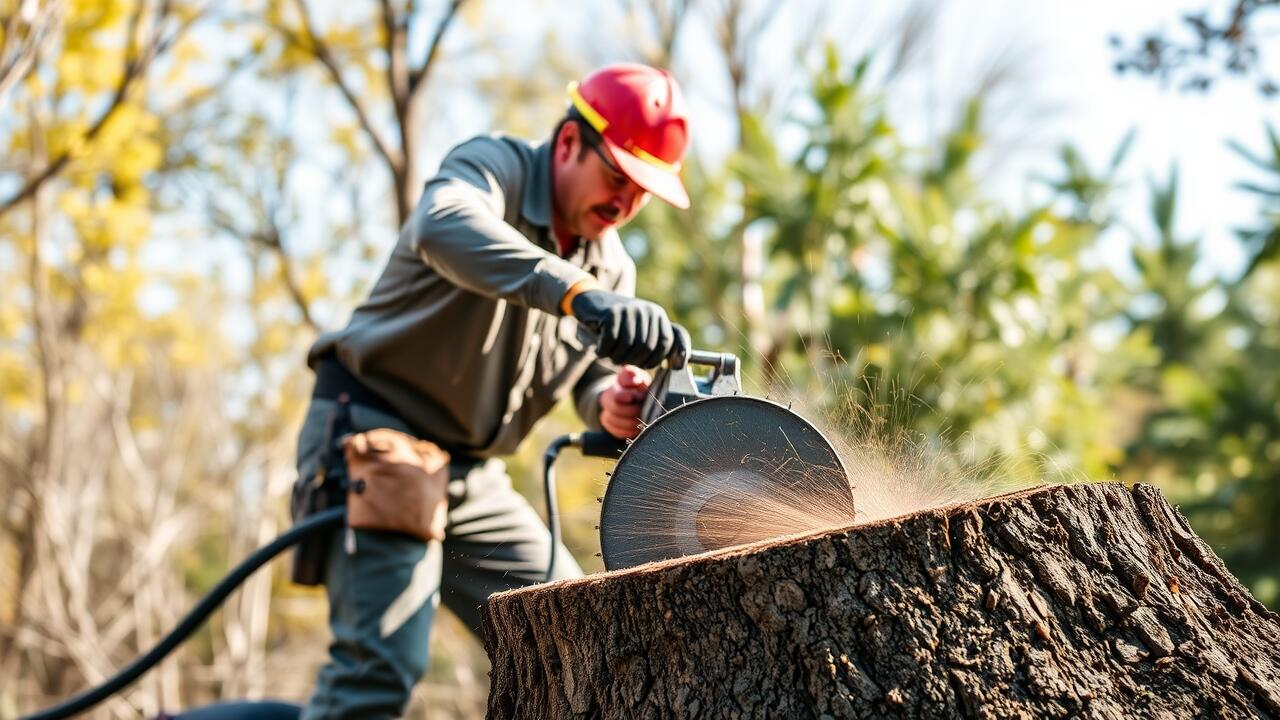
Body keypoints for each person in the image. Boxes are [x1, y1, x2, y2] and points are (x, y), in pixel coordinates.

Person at [291, 63, 692, 719]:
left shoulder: (612, 263)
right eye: (617, 176)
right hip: (376, 435)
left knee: (578, 639)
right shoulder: (494, 169)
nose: (625, 203)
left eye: (643, 191)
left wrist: (610, 403)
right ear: (568, 145)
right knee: (379, 673)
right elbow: (441, 225)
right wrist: (577, 294)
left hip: (473, 477)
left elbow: (589, 375)